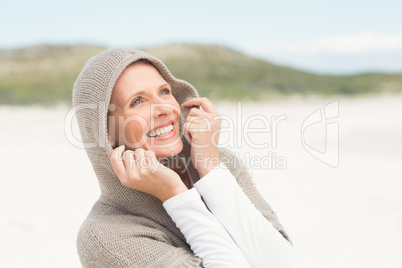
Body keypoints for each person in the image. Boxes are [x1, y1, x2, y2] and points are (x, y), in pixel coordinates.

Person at [73, 48, 293, 268]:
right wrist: (174, 195)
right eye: (137, 101)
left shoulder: (219, 164)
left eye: (164, 92)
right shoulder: (104, 236)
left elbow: (281, 262)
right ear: (106, 132)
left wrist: (210, 167)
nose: (164, 108)